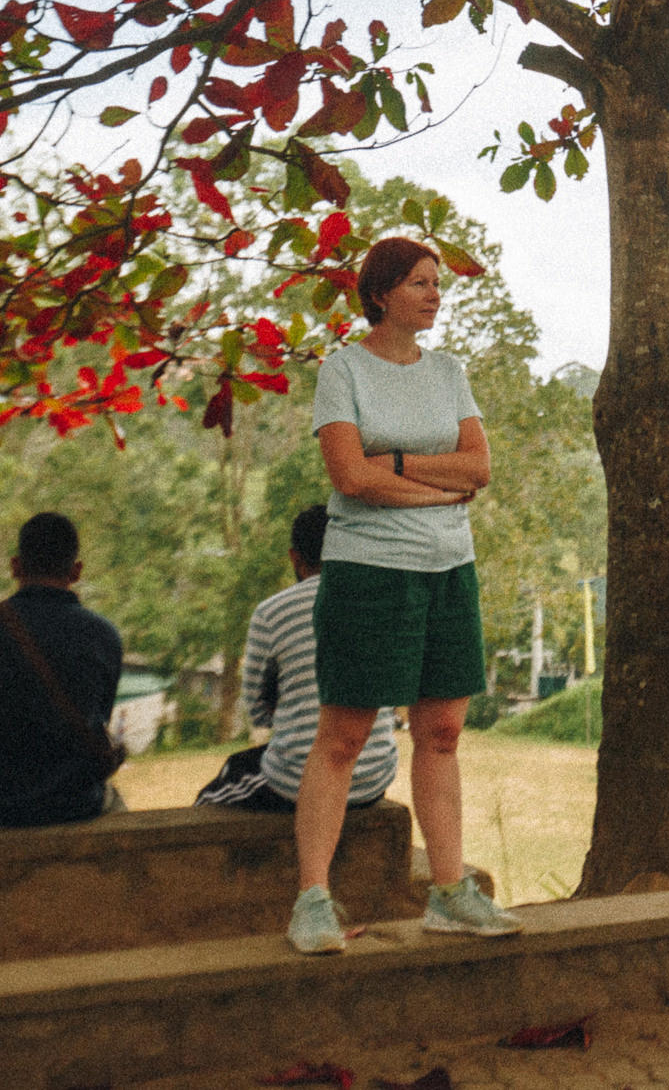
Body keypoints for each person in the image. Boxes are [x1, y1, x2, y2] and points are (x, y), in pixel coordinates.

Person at [292, 236, 515, 954]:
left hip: (450, 568)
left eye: (437, 283)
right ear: (381, 292)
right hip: (367, 570)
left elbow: (479, 467)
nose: (434, 295)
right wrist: (435, 490)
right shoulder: (343, 369)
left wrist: (397, 462)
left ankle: (450, 893)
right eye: (419, 282)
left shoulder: (448, 371)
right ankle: (312, 901)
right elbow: (350, 477)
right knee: (345, 736)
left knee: (442, 732)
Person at [196, 504, 399, 815]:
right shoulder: (380, 603)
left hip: (301, 781)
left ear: (295, 557)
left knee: (208, 801)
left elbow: (257, 710)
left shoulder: (271, 613)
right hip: (373, 779)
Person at [0, 511, 126, 829]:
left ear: (16, 566)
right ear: (76, 571)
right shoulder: (104, 635)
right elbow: (97, 719)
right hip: (75, 803)